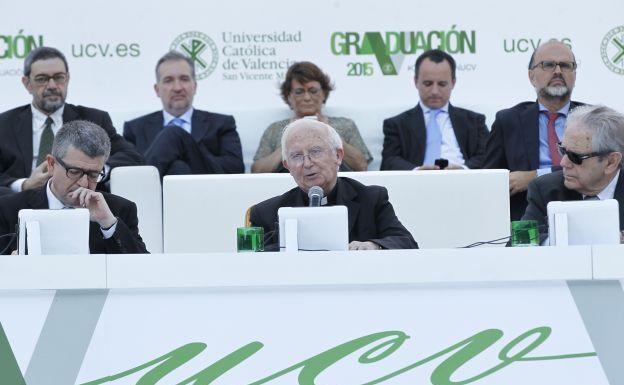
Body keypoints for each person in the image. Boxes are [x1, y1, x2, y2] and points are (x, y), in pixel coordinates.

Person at [249, 119, 417, 250]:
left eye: (315, 152)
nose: (307, 163)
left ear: (338, 155)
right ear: (287, 166)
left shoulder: (371, 199)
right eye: (297, 156)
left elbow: (406, 242)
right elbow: (252, 262)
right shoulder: (266, 213)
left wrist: (374, 245)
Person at [0, 46, 144, 196]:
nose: (52, 86)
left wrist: (94, 172)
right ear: (27, 83)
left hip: (82, 203)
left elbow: (132, 156)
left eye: (59, 77)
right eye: (42, 79)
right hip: (23, 205)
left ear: (67, 78)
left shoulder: (94, 119)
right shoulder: (4, 125)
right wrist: (24, 184)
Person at [0, 120, 148, 254]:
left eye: (93, 174)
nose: (84, 184)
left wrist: (108, 224)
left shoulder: (118, 210)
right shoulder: (8, 210)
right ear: (51, 165)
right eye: (74, 172)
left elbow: (143, 271)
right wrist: (10, 267)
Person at [484, 40, 587, 220]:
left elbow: (599, 168)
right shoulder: (508, 121)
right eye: (548, 65)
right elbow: (488, 181)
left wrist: (534, 176)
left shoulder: (593, 119)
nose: (557, 71)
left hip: (584, 210)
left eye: (565, 65)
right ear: (531, 76)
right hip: (526, 219)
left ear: (575, 75)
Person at [124, 51, 244, 177]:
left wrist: (190, 150)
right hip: (157, 195)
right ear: (157, 89)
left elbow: (235, 168)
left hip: (209, 191)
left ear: (195, 86)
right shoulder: (135, 129)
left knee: (173, 134)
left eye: (184, 79)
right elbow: (125, 171)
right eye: (168, 80)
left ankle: (143, 181)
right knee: (178, 167)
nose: (177, 88)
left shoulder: (222, 124)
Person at [522, 105, 624, 240]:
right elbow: (520, 241)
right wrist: (566, 240)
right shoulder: (545, 189)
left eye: (576, 157)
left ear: (611, 162)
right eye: (563, 151)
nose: (563, 163)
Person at [251, 61, 372, 173]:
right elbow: (257, 171)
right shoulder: (275, 129)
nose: (307, 97)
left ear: (324, 94)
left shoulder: (345, 125)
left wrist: (330, 134)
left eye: (313, 90)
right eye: (299, 92)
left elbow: (362, 166)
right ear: (289, 96)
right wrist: (288, 141)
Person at [381, 49, 488, 171]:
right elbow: (389, 161)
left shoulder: (475, 121)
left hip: (464, 183)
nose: (434, 91)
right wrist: (416, 171)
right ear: (416, 82)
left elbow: (487, 156)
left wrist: (463, 169)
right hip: (415, 184)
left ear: (453, 83)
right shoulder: (396, 125)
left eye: (442, 84)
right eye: (428, 83)